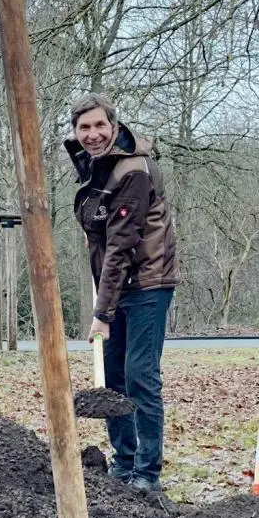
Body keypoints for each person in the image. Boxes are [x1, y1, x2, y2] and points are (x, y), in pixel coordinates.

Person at [65, 92, 180, 492]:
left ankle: (147, 474)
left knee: (140, 376)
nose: (93, 134)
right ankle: (123, 462)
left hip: (147, 284)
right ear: (76, 132)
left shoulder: (133, 171)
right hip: (118, 287)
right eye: (84, 127)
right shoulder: (97, 169)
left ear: (114, 127)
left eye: (100, 125)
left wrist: (101, 311)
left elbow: (121, 245)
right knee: (113, 378)